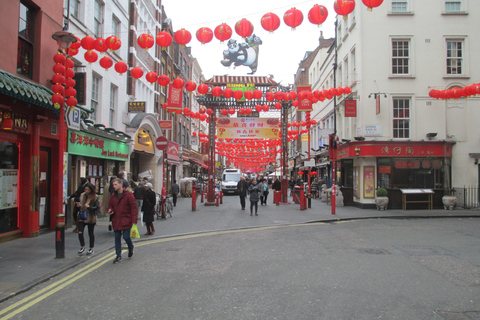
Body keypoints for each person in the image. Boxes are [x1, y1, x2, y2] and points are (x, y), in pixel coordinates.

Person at [108, 178, 137, 264]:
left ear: (121, 185)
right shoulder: (113, 196)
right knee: (117, 238)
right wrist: (110, 210)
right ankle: (118, 255)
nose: (114, 186)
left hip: (126, 219)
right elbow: (110, 206)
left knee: (126, 237)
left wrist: (134, 221)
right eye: (113, 185)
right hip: (116, 219)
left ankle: (130, 246)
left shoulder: (128, 195)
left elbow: (133, 208)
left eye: (115, 184)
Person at [77, 183, 99, 255]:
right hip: (82, 215)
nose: (86, 191)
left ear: (91, 190)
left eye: (88, 189)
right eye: (85, 189)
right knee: (80, 232)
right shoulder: (82, 195)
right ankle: (82, 246)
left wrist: (89, 207)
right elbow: (79, 204)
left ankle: (91, 248)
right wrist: (78, 205)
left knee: (90, 233)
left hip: (90, 217)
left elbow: (96, 207)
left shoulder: (95, 197)